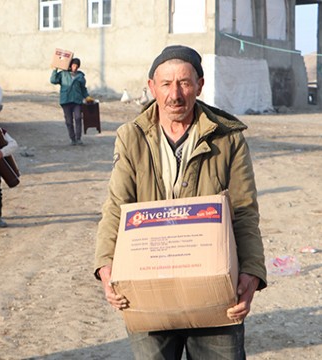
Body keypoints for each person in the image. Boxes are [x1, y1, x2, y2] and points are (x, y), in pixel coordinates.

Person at [93, 45, 267, 359]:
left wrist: (251, 272)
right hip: (148, 291)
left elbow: (243, 211)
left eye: (185, 83)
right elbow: (117, 205)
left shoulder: (228, 139)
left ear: (200, 85)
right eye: (166, 84)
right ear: (151, 87)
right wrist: (106, 265)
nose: (175, 94)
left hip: (214, 292)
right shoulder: (131, 137)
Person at [50, 57, 89, 145]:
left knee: (78, 118)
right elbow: (53, 80)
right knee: (69, 121)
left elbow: (83, 89)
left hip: (77, 101)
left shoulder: (80, 76)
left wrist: (87, 96)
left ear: (78, 67)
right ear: (70, 65)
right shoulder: (63, 74)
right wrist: (55, 69)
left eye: (76, 66)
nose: (75, 67)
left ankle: (78, 138)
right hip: (66, 100)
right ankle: (72, 138)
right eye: (73, 65)